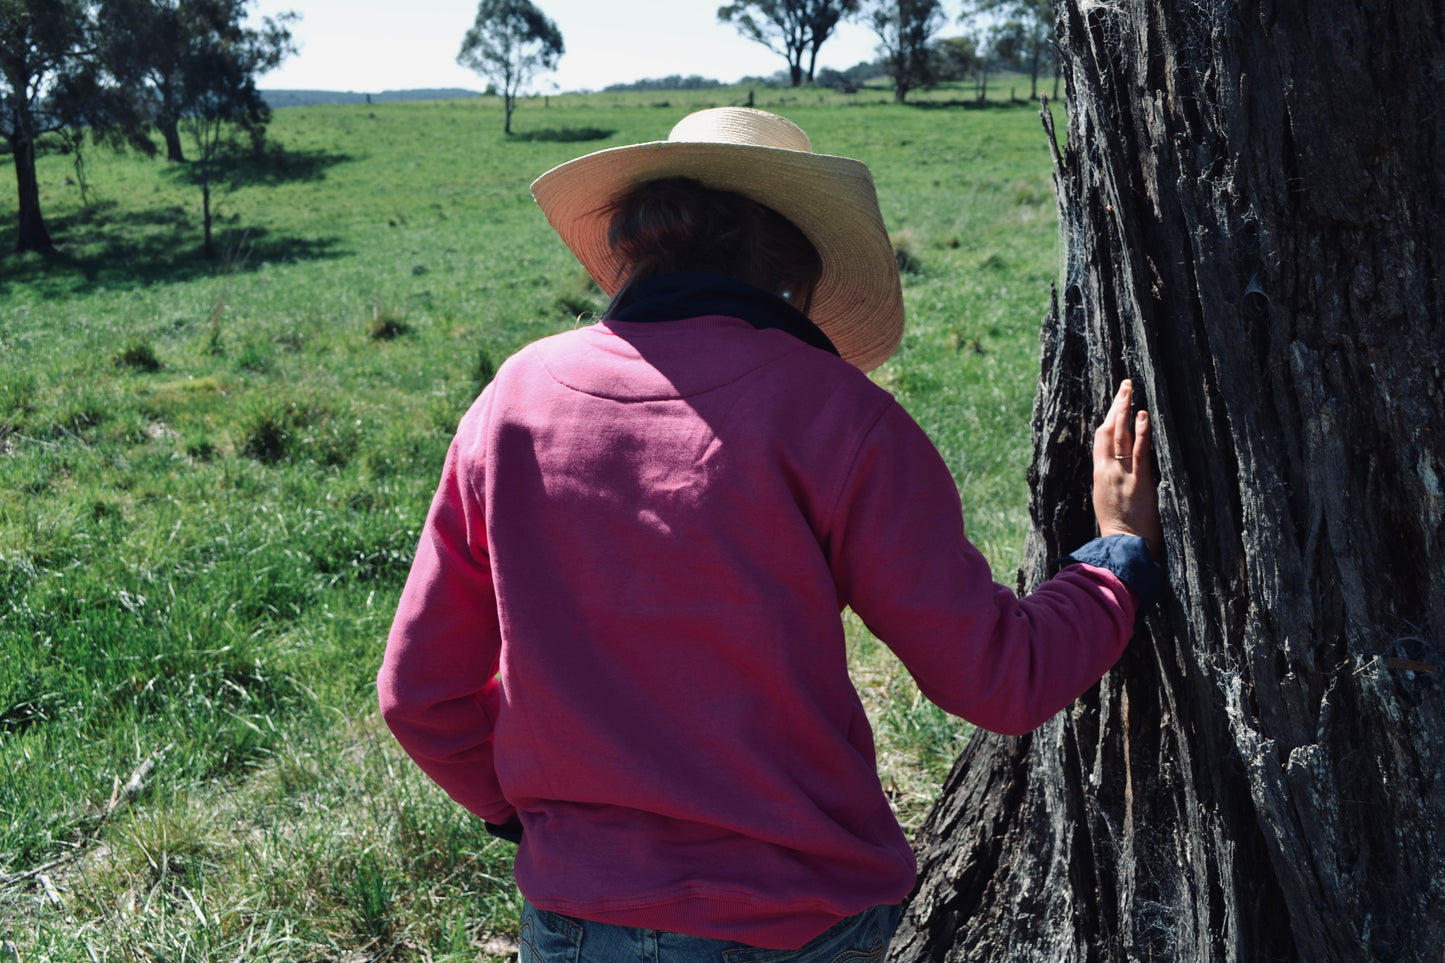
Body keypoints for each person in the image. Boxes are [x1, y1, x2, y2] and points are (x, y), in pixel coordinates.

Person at [378, 107, 1163, 963]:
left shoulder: (514, 400)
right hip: (794, 922)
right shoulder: (839, 414)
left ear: (635, 249)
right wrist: (1114, 553)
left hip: (573, 918)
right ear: (796, 274)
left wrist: (535, 818)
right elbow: (999, 679)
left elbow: (420, 693)